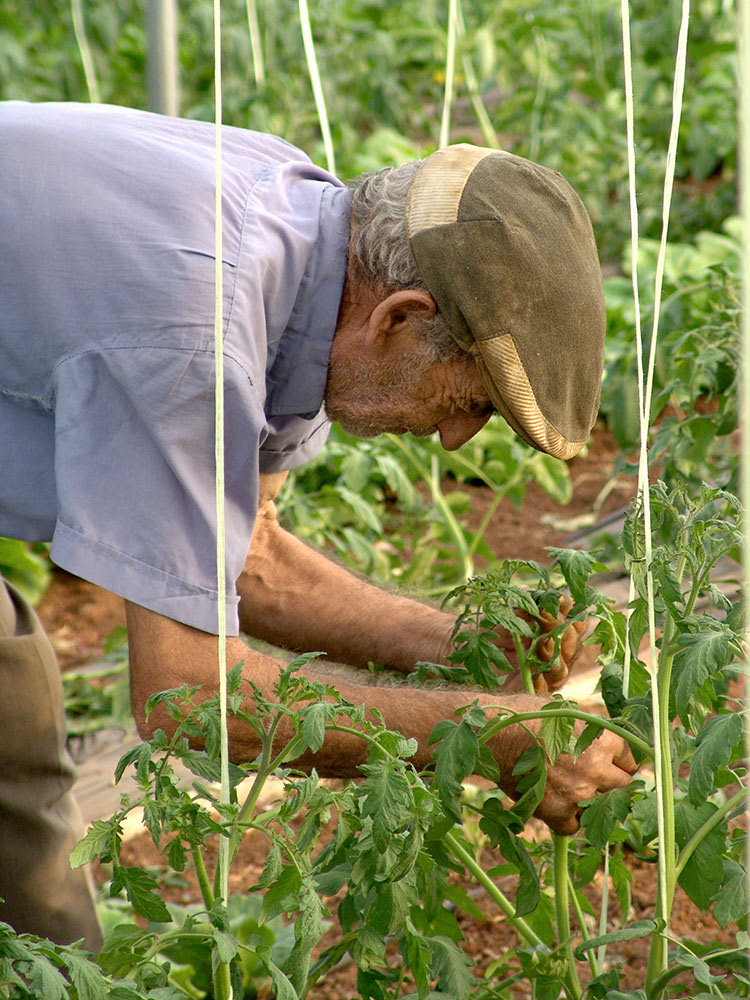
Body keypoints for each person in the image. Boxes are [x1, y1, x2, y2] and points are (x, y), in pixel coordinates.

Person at [0, 101, 636, 951]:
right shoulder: (198, 337)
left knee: (13, 743)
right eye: (472, 400)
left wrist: (458, 643)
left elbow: (247, 558)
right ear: (399, 318)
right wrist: (479, 732)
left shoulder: (308, 260)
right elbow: (190, 696)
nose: (456, 437)